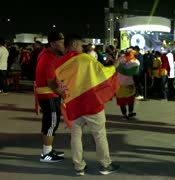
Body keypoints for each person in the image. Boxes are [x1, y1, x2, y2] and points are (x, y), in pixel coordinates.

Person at [54, 34, 120, 176]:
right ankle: (105, 164)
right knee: (99, 135)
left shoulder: (59, 63)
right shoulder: (84, 58)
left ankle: (79, 167)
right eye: (80, 45)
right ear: (73, 45)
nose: (82, 48)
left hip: (73, 104)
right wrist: (115, 65)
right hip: (91, 104)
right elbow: (102, 73)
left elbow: (58, 84)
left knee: (75, 136)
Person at [35, 31, 65, 162]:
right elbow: (51, 82)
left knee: (49, 122)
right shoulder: (49, 58)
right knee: (52, 123)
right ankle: (46, 153)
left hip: (46, 94)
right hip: (49, 95)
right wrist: (62, 93)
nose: (64, 45)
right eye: (61, 42)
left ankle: (48, 150)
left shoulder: (45, 54)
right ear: (52, 44)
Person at [116, 48, 140, 120]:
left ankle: (130, 112)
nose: (129, 54)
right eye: (128, 52)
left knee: (130, 100)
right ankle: (124, 115)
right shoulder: (121, 59)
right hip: (120, 83)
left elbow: (135, 72)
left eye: (131, 52)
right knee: (122, 101)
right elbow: (116, 66)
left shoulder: (135, 62)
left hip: (129, 83)